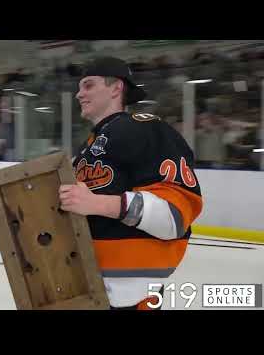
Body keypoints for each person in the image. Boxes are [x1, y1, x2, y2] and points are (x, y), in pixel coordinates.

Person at [58, 57, 203, 310]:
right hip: (87, 290)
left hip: (132, 298)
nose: (79, 94)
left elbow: (175, 216)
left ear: (116, 88)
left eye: (88, 85)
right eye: (79, 87)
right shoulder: (86, 148)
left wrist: (97, 203)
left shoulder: (146, 129)